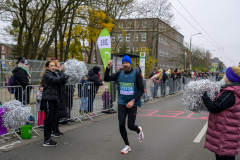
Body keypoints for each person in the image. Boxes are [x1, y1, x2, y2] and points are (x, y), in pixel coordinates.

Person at [104, 55, 144, 154]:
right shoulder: (119, 74)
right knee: (121, 124)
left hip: (132, 103)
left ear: (130, 63)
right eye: (123, 63)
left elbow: (141, 90)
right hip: (122, 102)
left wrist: (133, 100)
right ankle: (127, 145)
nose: (124, 64)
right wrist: (108, 67)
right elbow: (107, 78)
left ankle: (138, 130)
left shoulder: (136, 74)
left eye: (126, 62)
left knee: (130, 126)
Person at [202, 66, 240, 160]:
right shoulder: (233, 91)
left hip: (225, 138)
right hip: (229, 137)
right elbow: (223, 104)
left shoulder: (230, 93)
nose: (225, 77)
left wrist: (204, 94)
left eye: (226, 75)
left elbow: (214, 107)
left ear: (231, 78)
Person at [41, 61, 68, 147]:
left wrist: (67, 76)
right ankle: (46, 140)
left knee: (52, 119)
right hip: (48, 100)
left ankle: (49, 138)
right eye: (51, 66)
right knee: (48, 120)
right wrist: (65, 75)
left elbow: (61, 81)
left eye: (54, 66)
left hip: (54, 100)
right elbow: (56, 80)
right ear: (47, 67)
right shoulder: (47, 75)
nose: (53, 67)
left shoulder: (54, 73)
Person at [51, 58, 67, 136]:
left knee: (58, 114)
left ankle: (56, 129)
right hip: (56, 96)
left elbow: (63, 80)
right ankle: (53, 130)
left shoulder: (59, 72)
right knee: (55, 114)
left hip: (61, 95)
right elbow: (59, 80)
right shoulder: (54, 73)